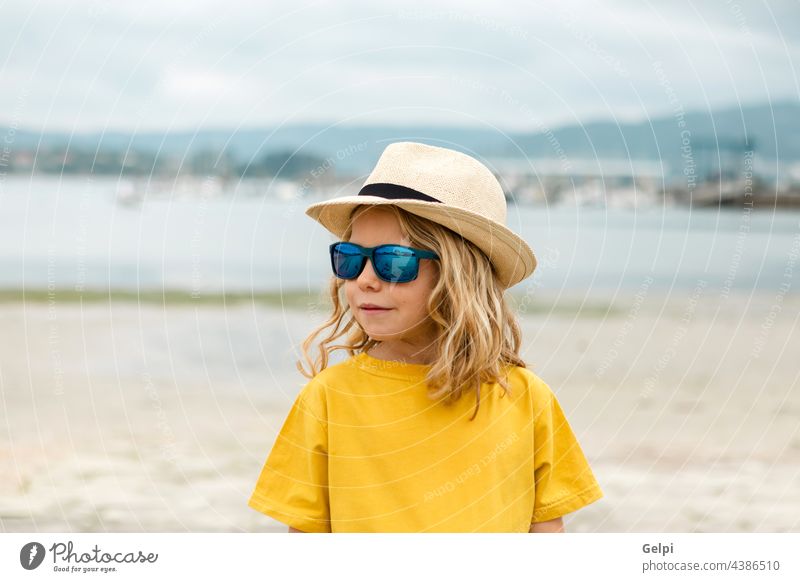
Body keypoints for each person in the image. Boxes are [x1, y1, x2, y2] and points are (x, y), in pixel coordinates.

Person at [248, 141, 602, 533]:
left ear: (458, 278)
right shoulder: (328, 400)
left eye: (393, 262)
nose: (364, 280)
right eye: (350, 258)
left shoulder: (527, 400)